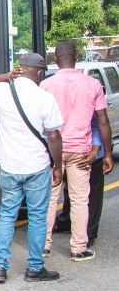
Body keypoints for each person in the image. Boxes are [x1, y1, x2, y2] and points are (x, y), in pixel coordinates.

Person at [0, 53, 64, 283]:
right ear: (39, 73)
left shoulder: (1, 91)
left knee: (7, 214)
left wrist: (7, 76)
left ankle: (0, 268)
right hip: (36, 166)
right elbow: (54, 137)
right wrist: (58, 166)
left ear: (19, 69)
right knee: (38, 217)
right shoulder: (44, 97)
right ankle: (35, 268)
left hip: (9, 165)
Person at [40, 42, 113, 261]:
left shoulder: (45, 85)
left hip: (54, 152)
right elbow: (103, 121)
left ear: (55, 58)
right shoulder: (92, 84)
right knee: (81, 199)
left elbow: (39, 121)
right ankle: (79, 249)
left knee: (49, 199)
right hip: (81, 152)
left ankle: (43, 246)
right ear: (77, 56)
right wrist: (106, 153)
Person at [53, 112, 111, 248]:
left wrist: (99, 151)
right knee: (72, 188)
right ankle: (66, 221)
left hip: (87, 151)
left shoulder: (89, 91)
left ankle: (88, 233)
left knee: (90, 193)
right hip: (65, 149)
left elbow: (99, 123)